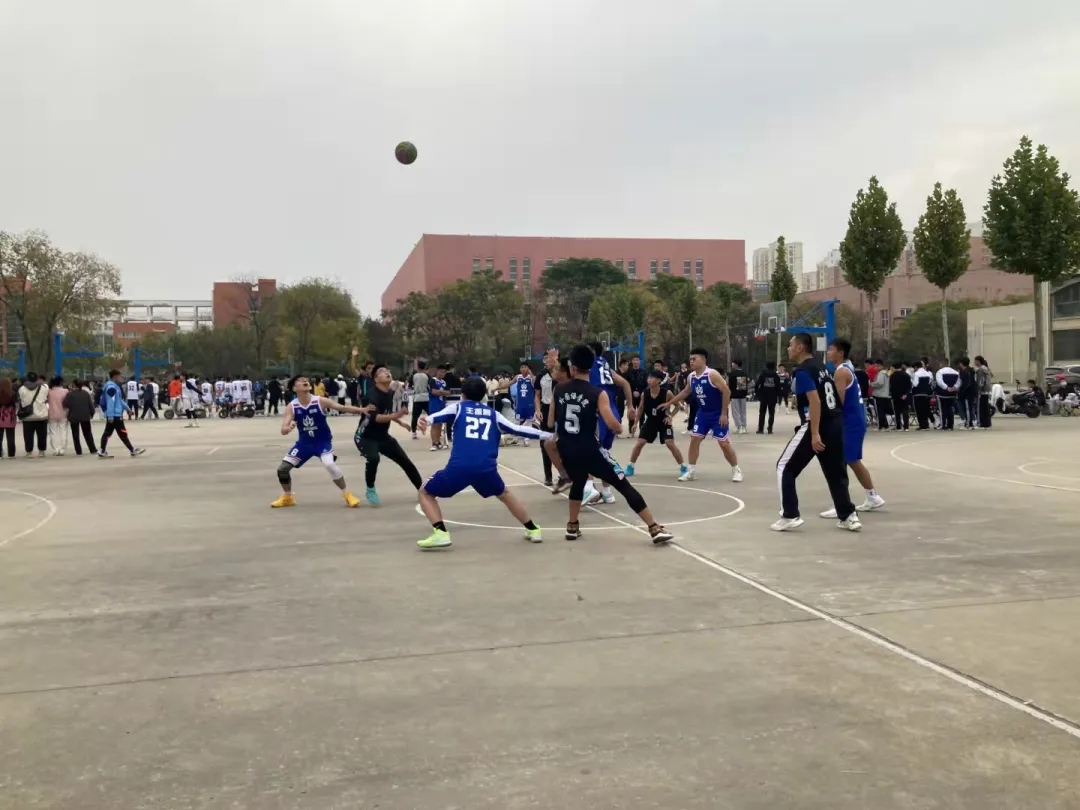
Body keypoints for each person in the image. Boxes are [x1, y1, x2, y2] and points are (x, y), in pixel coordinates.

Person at [547, 344, 673, 544]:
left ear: (572, 368)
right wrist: (617, 425)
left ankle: (572, 526)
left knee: (578, 483)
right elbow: (615, 426)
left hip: (567, 450)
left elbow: (549, 422)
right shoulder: (597, 393)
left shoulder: (559, 390)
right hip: (590, 450)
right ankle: (654, 528)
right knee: (623, 484)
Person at [414, 377, 553, 549]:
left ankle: (440, 533)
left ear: (463, 394)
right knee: (505, 494)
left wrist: (425, 421)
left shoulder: (458, 408)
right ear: (483, 395)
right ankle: (533, 529)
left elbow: (437, 417)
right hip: (486, 468)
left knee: (425, 492)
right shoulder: (493, 414)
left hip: (459, 467)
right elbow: (518, 429)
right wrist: (549, 435)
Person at [773, 333, 859, 532]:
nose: (788, 348)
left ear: (800, 347)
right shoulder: (823, 368)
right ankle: (848, 516)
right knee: (836, 473)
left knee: (784, 467)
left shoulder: (803, 371)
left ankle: (790, 515)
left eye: (790, 345)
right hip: (835, 423)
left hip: (817, 424)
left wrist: (814, 433)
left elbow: (815, 401)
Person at [270, 376, 372, 508]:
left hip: (322, 442)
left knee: (330, 465)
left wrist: (362, 410)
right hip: (304, 444)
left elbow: (342, 407)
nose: (305, 381)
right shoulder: (292, 406)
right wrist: (288, 428)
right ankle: (288, 497)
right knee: (282, 469)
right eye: (300, 381)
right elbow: (283, 430)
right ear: (294, 388)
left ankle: (347, 494)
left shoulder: (320, 401)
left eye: (306, 380)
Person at [819, 339, 885, 518]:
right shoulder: (846, 368)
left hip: (850, 422)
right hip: (854, 420)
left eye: (831, 349)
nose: (828, 352)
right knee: (852, 460)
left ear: (840, 353)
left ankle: (842, 504)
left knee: (841, 461)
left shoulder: (841, 372)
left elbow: (837, 402)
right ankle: (873, 497)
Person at [665, 348, 743, 483]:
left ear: (703, 360)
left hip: (717, 414)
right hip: (702, 414)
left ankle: (736, 469)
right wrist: (669, 403)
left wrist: (724, 413)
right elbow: (685, 392)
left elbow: (727, 392)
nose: (691, 361)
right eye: (690, 359)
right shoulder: (691, 376)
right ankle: (691, 471)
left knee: (723, 443)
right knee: (694, 439)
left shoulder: (712, 374)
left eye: (694, 359)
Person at [356, 365, 425, 505]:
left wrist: (401, 422)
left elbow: (386, 412)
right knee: (374, 458)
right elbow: (376, 418)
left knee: (405, 461)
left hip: (383, 436)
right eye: (381, 372)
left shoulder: (390, 393)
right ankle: (370, 489)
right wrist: (396, 415)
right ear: (376, 379)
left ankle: (423, 491)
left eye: (387, 370)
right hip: (365, 437)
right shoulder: (371, 396)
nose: (386, 372)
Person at [582, 341, 636, 505]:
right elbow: (625, 384)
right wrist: (630, 406)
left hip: (599, 411)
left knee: (588, 450)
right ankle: (607, 492)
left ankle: (589, 489)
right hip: (612, 411)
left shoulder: (587, 364)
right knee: (604, 453)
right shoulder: (605, 365)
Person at [625, 370, 687, 477]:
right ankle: (630, 466)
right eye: (648, 378)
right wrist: (635, 423)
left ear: (658, 380)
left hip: (663, 421)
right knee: (639, 443)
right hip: (651, 421)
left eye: (652, 378)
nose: (649, 380)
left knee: (670, 443)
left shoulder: (667, 393)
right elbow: (640, 408)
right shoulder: (645, 393)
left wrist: (670, 416)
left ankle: (683, 467)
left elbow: (677, 406)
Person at [98, 369, 144, 458]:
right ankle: (132, 450)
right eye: (119, 376)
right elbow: (110, 402)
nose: (120, 378)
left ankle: (102, 450)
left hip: (115, 414)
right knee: (122, 433)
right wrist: (110, 416)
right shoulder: (111, 388)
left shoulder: (115, 387)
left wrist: (128, 409)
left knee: (107, 433)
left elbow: (119, 400)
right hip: (115, 415)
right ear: (115, 376)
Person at [17, 372, 49, 457]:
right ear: (37, 379)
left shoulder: (22, 389)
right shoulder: (43, 388)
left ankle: (29, 451)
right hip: (41, 415)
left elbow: (21, 400)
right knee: (42, 435)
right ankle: (41, 451)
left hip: (27, 416)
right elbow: (45, 398)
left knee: (28, 435)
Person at [62, 380, 97, 456]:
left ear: (74, 385)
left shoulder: (70, 394)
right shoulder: (86, 394)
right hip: (85, 416)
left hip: (73, 416)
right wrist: (91, 414)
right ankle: (93, 449)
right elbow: (91, 405)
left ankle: (78, 451)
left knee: (75, 435)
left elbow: (65, 404)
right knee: (88, 433)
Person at [511, 362, 536, 446]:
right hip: (520, 404)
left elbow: (536, 383)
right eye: (522, 367)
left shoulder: (531, 377)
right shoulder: (518, 377)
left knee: (529, 422)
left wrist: (531, 374)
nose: (523, 369)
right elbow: (509, 383)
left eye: (525, 367)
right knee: (517, 421)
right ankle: (515, 438)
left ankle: (526, 439)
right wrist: (497, 388)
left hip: (529, 404)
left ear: (528, 368)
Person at [755, 361, 781, 434]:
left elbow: (757, 384)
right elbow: (778, 387)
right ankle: (770, 428)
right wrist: (779, 396)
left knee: (762, 413)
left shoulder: (763, 374)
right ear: (774, 367)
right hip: (773, 396)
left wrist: (757, 393)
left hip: (763, 396)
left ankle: (760, 429)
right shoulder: (776, 376)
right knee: (771, 413)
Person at [428, 366, 449, 450]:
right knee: (434, 423)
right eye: (440, 372)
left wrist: (440, 392)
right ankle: (434, 443)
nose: (442, 374)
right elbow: (433, 392)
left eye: (444, 372)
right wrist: (442, 392)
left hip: (442, 404)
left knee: (440, 423)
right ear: (436, 372)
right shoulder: (433, 380)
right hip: (434, 404)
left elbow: (448, 392)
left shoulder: (444, 382)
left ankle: (438, 441)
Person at [46, 376, 69, 456]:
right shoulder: (65, 391)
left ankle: (56, 449)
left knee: (53, 432)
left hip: (52, 414)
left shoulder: (49, 392)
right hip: (63, 414)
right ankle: (62, 449)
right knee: (63, 431)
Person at [727, 359, 749, 434]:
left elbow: (729, 385)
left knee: (736, 412)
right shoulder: (744, 373)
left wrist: (729, 395)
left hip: (734, 395)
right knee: (743, 411)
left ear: (736, 364)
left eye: (733, 363)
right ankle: (744, 426)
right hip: (742, 395)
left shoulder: (732, 374)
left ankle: (738, 426)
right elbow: (744, 385)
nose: (732, 364)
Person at [973, 355, 993, 428]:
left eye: (975, 361)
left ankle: (981, 422)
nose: (974, 363)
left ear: (978, 361)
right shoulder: (986, 369)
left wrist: (978, 389)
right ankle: (987, 422)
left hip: (982, 391)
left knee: (980, 408)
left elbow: (980, 381)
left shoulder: (980, 370)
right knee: (986, 408)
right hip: (987, 391)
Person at [0, 377, 16, 459]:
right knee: (11, 437)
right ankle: (11, 454)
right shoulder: (12, 394)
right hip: (10, 417)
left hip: (1, 417)